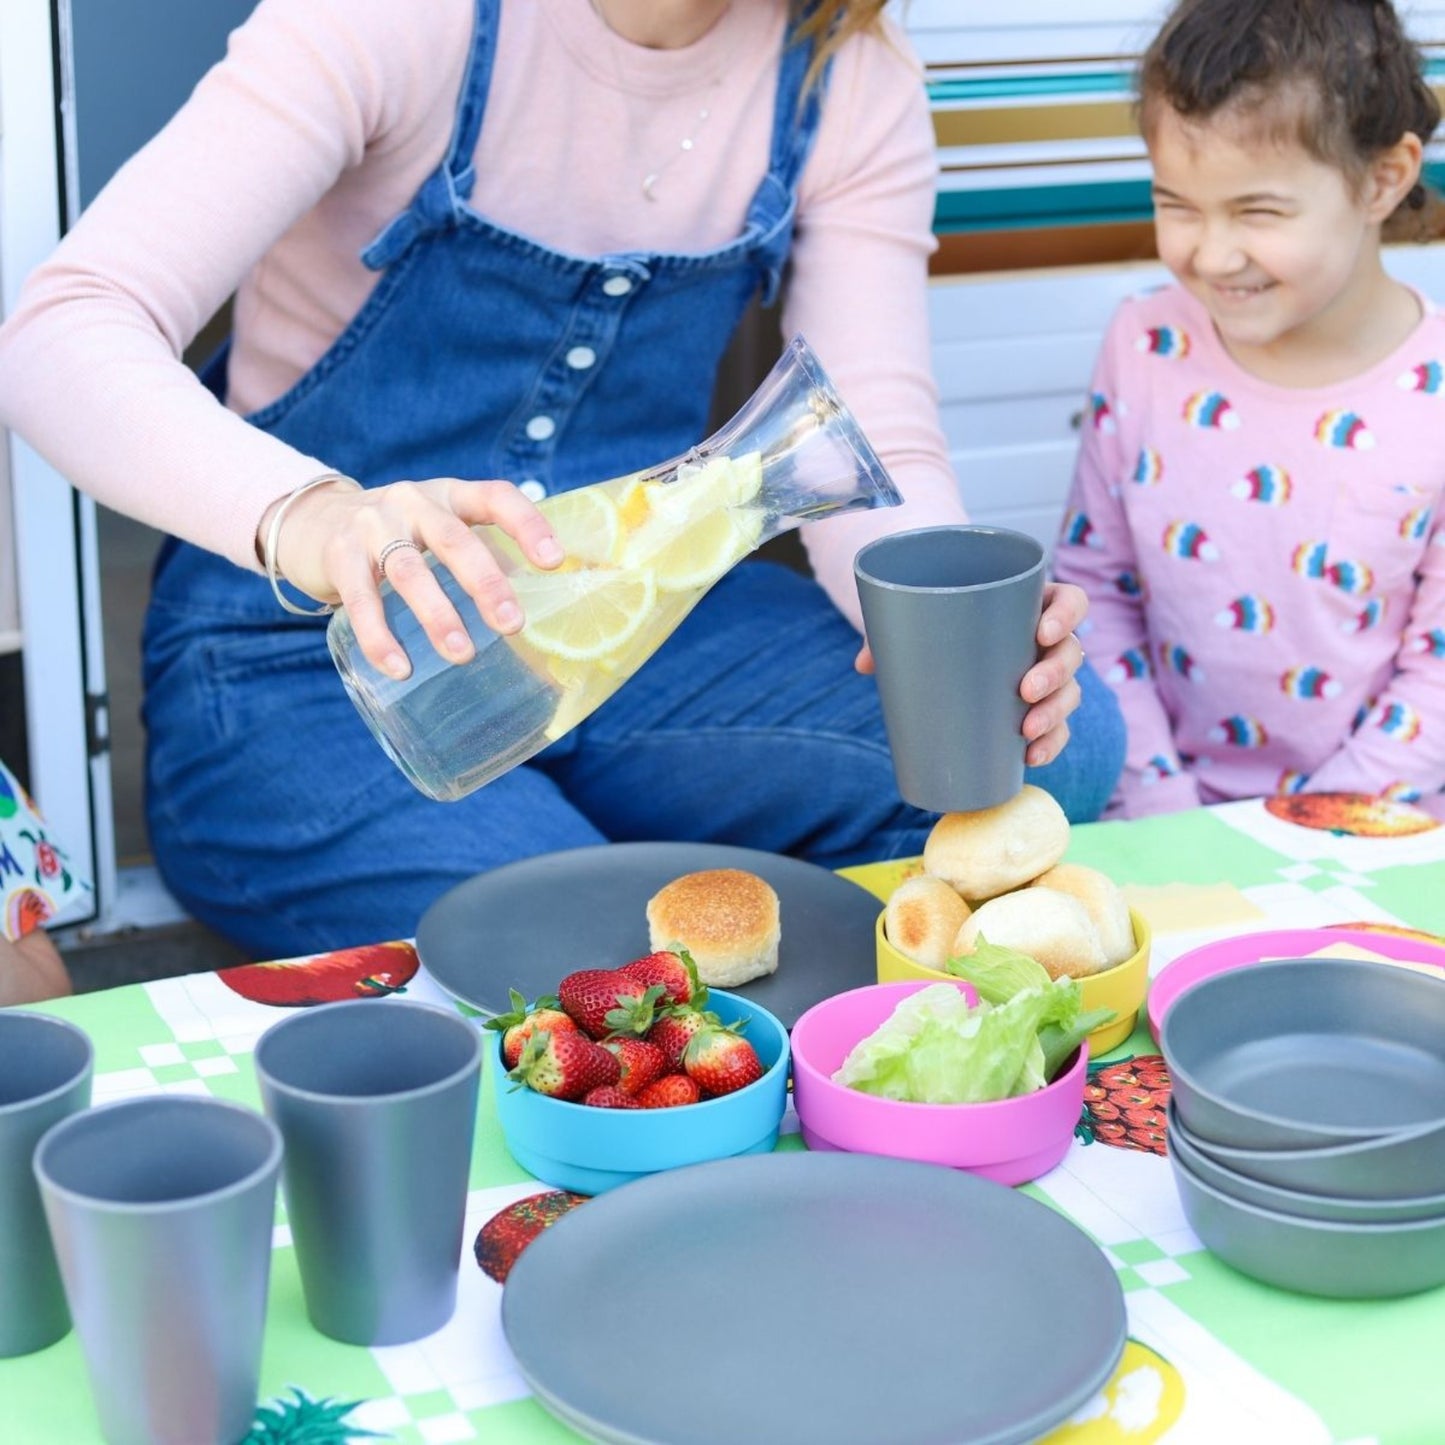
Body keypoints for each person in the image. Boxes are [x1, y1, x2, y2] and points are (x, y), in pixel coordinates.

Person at [0, 0, 1124, 961]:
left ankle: (572, 848)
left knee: (1038, 745)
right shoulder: (402, 20)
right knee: (609, 961)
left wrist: (959, 637)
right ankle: (572, 863)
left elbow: (868, 437)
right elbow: (59, 336)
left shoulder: (842, 71)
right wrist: (317, 516)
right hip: (303, 657)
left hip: (640, 628)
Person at [1054, 0, 1445, 819]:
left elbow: (1435, 677)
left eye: (1257, 212)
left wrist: (1301, 837)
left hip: (1373, 829)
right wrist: (1157, 803)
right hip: (1155, 817)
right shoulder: (1143, 343)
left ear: (1382, 178)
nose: (1213, 253)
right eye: (1177, 205)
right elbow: (1095, 591)